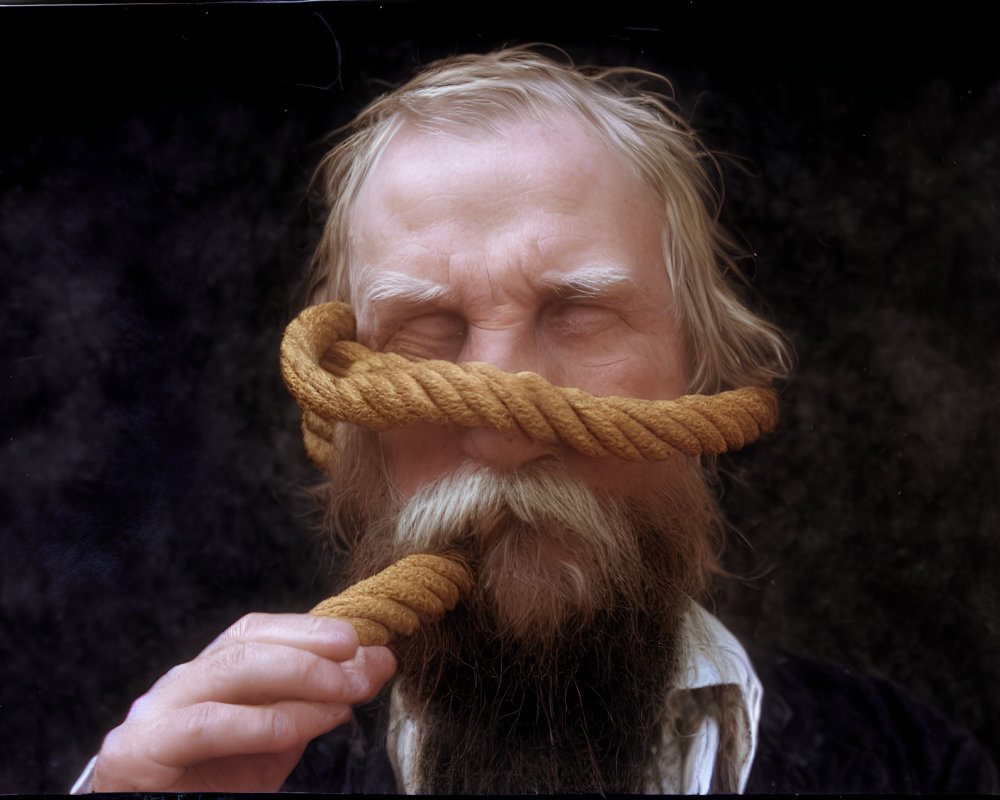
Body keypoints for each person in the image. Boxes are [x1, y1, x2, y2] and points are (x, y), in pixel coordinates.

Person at [73, 46, 998, 794]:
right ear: (342, 410)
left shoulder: (917, 766)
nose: (506, 432)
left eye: (580, 316)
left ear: (703, 378)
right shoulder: (227, 774)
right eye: (428, 331)